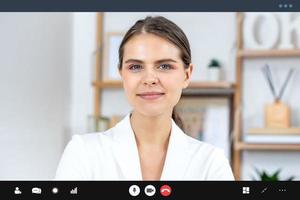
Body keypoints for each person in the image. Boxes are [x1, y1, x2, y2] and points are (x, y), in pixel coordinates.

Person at [55, 16, 235, 180]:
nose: (149, 79)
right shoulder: (83, 154)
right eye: (135, 67)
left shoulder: (211, 163)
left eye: (164, 66)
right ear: (122, 74)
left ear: (186, 76)